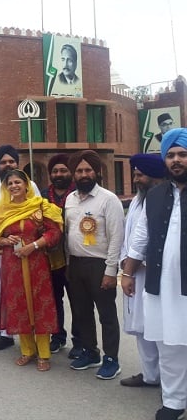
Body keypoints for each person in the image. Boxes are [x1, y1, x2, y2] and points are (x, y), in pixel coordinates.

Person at [122, 129, 187, 420]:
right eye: (171, 155)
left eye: (182, 154)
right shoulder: (156, 194)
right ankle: (174, 402)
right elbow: (140, 238)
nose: (176, 160)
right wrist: (127, 272)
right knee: (169, 345)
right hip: (162, 286)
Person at [0, 169, 63, 372]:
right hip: (12, 264)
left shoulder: (39, 206)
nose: (14, 186)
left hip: (36, 263)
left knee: (40, 305)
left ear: (26, 184)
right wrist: (6, 240)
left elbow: (54, 232)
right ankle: (27, 350)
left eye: (17, 182)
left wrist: (35, 245)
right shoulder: (3, 210)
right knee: (18, 304)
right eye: (10, 183)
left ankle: (44, 353)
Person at [65, 149, 124, 380]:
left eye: (88, 169)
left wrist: (111, 271)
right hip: (76, 264)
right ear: (74, 174)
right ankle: (91, 352)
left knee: (106, 314)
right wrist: (69, 264)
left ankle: (112, 359)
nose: (83, 174)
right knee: (81, 312)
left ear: (96, 171)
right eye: (79, 170)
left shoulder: (109, 200)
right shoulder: (70, 200)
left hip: (100, 265)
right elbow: (68, 233)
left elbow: (116, 237)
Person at [0, 144, 39, 350]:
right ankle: (3, 332)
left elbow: (38, 214)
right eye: (3, 162)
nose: (8, 165)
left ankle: (30, 332)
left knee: (25, 289)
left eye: (11, 161)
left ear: (17, 163)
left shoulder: (29, 185)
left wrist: (25, 242)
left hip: (24, 250)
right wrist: (1, 241)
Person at [119, 153, 164, 389]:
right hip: (134, 271)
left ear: (156, 176)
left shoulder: (161, 200)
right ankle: (150, 375)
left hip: (153, 273)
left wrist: (132, 266)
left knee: (158, 327)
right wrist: (124, 264)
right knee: (140, 327)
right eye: (135, 174)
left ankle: (168, 378)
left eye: (140, 175)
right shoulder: (137, 200)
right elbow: (129, 237)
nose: (136, 179)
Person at [40, 153, 81, 358]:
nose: (59, 174)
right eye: (55, 171)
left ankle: (80, 341)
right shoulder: (42, 196)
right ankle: (57, 337)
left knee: (77, 301)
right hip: (50, 258)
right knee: (54, 300)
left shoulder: (78, 194)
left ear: (70, 172)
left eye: (63, 170)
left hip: (74, 257)